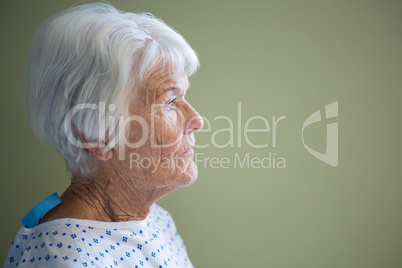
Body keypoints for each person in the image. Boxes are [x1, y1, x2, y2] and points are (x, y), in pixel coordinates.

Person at [4, 2, 203, 267]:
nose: (196, 120)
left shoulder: (155, 219)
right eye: (169, 100)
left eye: (183, 96)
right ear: (95, 134)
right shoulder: (64, 259)